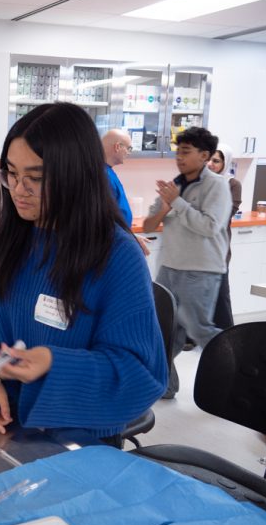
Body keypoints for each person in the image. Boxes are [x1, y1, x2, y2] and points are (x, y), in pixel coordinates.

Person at [0, 102, 166, 444]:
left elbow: (138, 374)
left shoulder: (116, 255)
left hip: (78, 439)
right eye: (11, 173)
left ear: (75, 176)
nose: (19, 189)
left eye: (35, 179)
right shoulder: (8, 238)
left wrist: (54, 362)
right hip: (4, 424)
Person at [143, 127, 231, 398]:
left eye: (186, 151)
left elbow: (210, 226)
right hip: (169, 268)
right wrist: (166, 208)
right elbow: (148, 225)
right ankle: (166, 387)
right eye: (178, 151)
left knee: (199, 329)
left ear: (204, 155)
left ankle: (244, 372)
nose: (179, 157)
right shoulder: (175, 185)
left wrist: (177, 204)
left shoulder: (217, 185)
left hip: (200, 270)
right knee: (165, 333)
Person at [207, 143, 242, 330]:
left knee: (220, 293)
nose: (210, 164)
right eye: (209, 159)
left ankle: (228, 334)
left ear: (225, 163)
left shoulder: (232, 185)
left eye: (216, 161)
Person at [101, 128, 151, 255]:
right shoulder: (102, 175)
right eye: (128, 148)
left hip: (116, 240)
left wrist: (130, 236)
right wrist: (128, 238)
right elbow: (105, 219)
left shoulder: (107, 171)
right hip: (108, 245)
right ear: (117, 147)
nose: (129, 153)